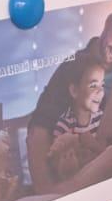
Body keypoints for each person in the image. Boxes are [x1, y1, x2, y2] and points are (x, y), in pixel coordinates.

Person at [26, 0, 112, 196]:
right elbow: (38, 128)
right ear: (108, 22)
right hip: (78, 171)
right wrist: (46, 191)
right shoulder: (72, 68)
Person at [45, 52, 107, 185]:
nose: (101, 91)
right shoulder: (64, 125)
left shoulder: (101, 117)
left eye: (102, 85)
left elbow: (107, 152)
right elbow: (61, 170)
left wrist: (94, 145)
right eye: (93, 85)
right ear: (74, 91)